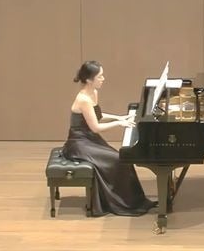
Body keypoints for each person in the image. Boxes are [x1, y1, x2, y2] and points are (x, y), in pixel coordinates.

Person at [62, 60, 156, 217]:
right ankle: (124, 202)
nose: (103, 79)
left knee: (121, 159)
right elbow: (96, 127)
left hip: (89, 138)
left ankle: (135, 200)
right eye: (99, 76)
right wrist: (119, 123)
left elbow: (97, 115)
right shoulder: (83, 99)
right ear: (89, 80)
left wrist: (120, 117)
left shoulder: (93, 93)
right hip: (79, 143)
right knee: (118, 160)